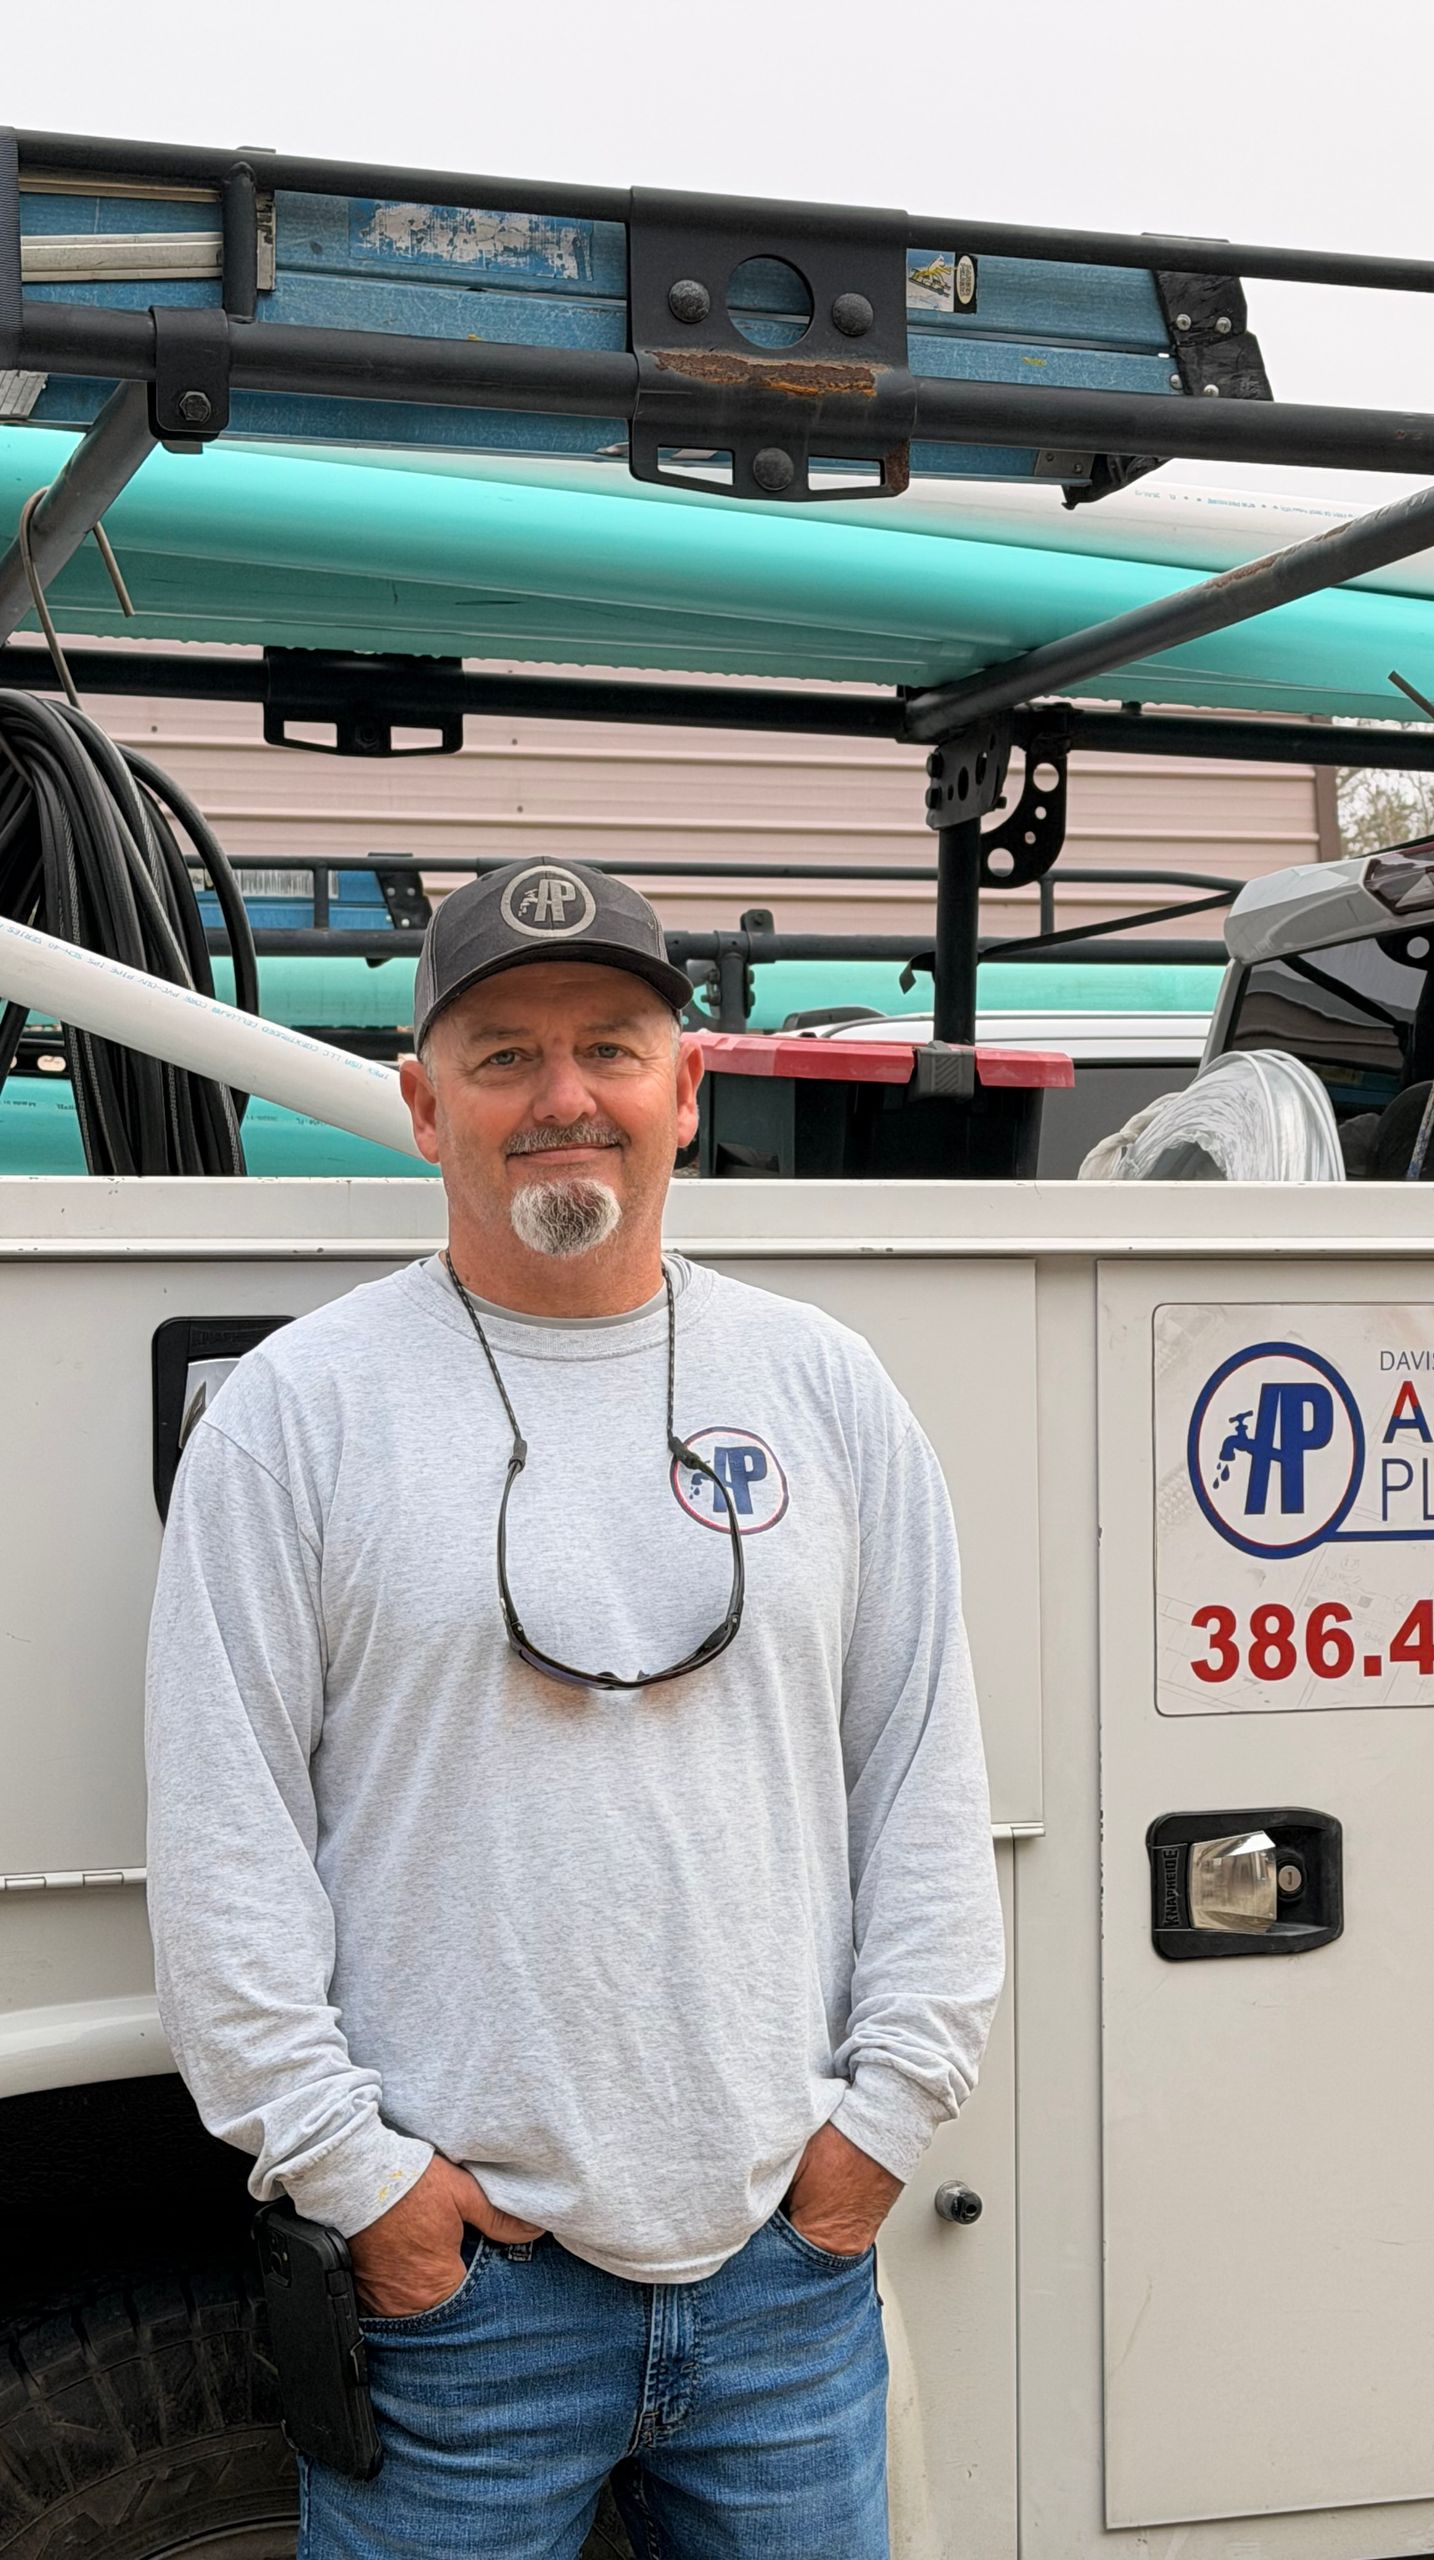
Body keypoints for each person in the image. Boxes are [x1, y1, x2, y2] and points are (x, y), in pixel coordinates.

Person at [145, 857, 1004, 2560]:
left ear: (687, 1086)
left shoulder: (829, 1390)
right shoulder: (295, 1418)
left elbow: (922, 1777)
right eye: (503, 1056)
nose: (564, 1101)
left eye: (611, 1047)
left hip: (786, 2286)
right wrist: (362, 2187)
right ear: (419, 1104)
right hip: (461, 2309)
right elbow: (222, 1843)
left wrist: (878, 2134)